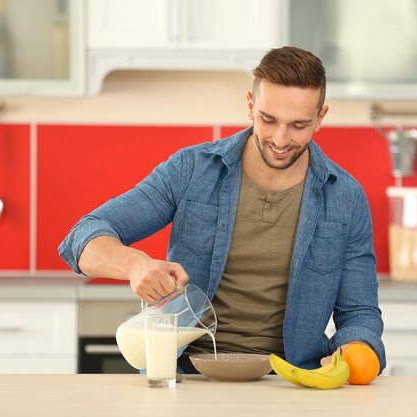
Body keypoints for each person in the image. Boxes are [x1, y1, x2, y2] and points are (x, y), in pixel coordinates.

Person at [59, 46, 385, 373]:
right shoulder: (192, 170)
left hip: (289, 383)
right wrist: (135, 265)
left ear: (320, 118)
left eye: (298, 125)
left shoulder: (346, 198)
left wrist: (354, 347)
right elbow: (82, 238)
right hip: (184, 378)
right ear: (250, 105)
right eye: (268, 120)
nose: (280, 139)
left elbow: (360, 314)